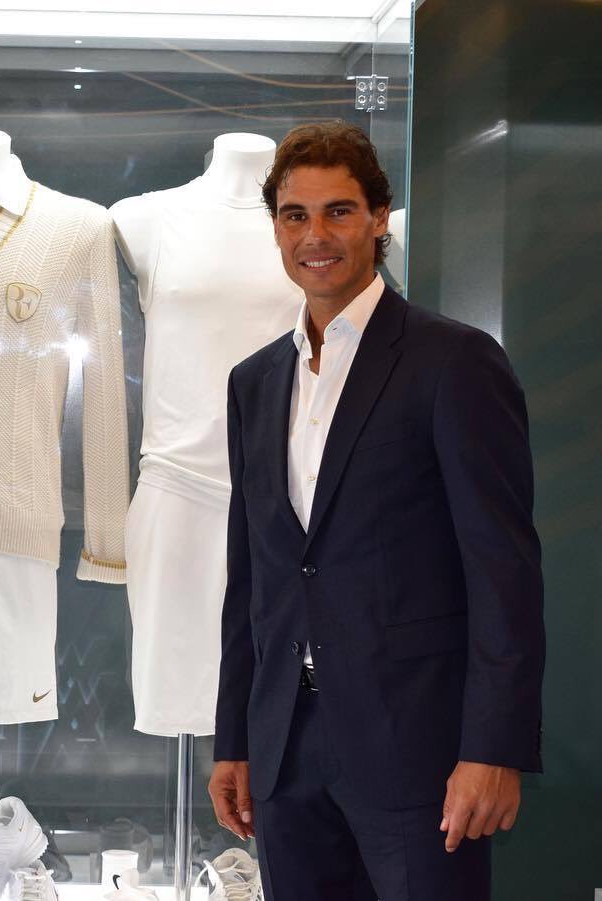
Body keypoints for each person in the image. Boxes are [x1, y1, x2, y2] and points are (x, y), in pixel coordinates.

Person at [207, 122, 544, 901]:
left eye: (339, 211)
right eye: (295, 215)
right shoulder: (254, 382)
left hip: (420, 752)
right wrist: (236, 737)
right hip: (286, 753)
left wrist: (494, 747)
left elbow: (504, 572)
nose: (315, 236)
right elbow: (252, 578)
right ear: (276, 228)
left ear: (379, 218)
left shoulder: (454, 362)